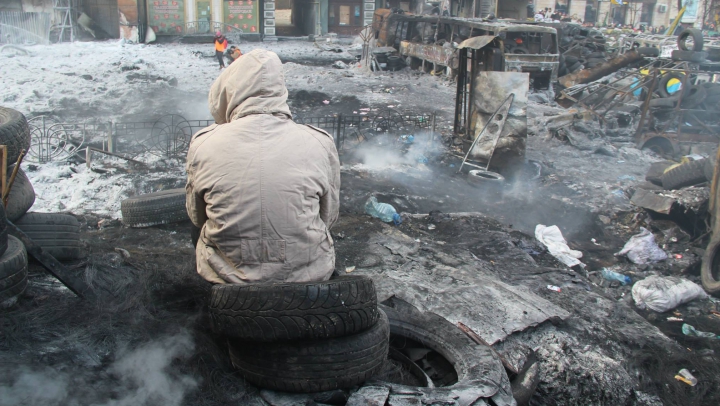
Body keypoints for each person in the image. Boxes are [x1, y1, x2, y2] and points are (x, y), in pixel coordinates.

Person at [186, 49, 340, 285]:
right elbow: (328, 216)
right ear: (281, 90)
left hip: (225, 275)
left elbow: (196, 217)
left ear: (230, 89)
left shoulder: (203, 143)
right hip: (309, 275)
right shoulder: (320, 141)